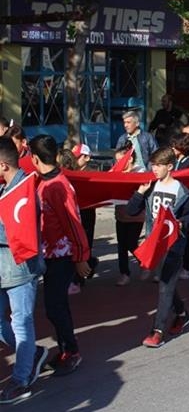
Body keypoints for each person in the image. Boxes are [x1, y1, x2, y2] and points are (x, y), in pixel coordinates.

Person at [29, 135, 91, 376]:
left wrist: (81, 257)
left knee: (55, 307)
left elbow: (73, 223)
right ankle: (66, 349)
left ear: (35, 158)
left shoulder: (58, 185)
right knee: (56, 306)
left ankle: (72, 351)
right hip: (50, 254)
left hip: (62, 255)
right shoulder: (42, 182)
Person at [127, 147, 189, 348]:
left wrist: (182, 223)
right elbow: (131, 211)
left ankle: (157, 331)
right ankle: (182, 314)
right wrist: (139, 193)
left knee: (165, 286)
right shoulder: (150, 187)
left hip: (174, 245)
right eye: (153, 165)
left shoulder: (182, 191)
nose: (154, 169)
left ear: (170, 166)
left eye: (158, 165)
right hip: (155, 244)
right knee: (167, 283)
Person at [0, 137, 47, 404]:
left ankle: (21, 379)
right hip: (3, 270)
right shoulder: (4, 187)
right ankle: (32, 353)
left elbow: (18, 232)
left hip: (21, 270)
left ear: (3, 165)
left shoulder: (26, 189)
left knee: (21, 324)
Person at [67, 144, 99, 294]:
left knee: (85, 244)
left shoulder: (92, 173)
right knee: (76, 245)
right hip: (74, 214)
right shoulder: (71, 172)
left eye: (78, 157)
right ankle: (88, 266)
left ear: (87, 157)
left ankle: (79, 278)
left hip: (87, 214)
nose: (75, 160)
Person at [113, 144, 147, 286]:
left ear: (130, 159)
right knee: (121, 245)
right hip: (120, 214)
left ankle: (145, 262)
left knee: (131, 243)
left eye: (120, 160)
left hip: (136, 215)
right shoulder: (115, 172)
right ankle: (124, 273)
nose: (118, 163)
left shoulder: (140, 172)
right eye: (116, 161)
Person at [170, 133, 189, 280]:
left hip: (186, 203)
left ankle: (187, 266)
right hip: (174, 202)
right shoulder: (174, 161)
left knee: (186, 236)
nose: (172, 148)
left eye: (175, 145)